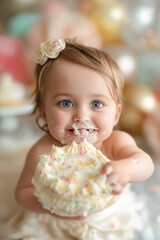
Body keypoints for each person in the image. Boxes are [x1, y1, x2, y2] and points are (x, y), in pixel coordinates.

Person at [14, 38, 154, 240]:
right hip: (55, 226)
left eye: (96, 104)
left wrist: (127, 168)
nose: (81, 115)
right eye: (66, 103)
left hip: (107, 223)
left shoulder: (114, 142)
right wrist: (50, 205)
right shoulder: (43, 151)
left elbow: (145, 163)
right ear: (43, 113)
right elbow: (22, 192)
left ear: (115, 115)